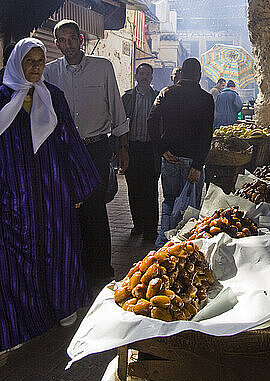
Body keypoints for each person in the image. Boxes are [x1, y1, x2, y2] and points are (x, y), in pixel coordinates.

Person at [0, 38, 101, 356]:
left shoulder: (53, 96)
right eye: (29, 61)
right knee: (17, 256)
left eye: (40, 61)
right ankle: (23, 318)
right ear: (17, 63)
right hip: (13, 193)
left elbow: (70, 140)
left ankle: (63, 305)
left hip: (53, 190)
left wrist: (79, 186)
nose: (35, 67)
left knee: (60, 247)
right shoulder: (2, 97)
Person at [44, 19, 129, 290]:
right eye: (62, 41)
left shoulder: (103, 68)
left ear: (81, 39)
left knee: (95, 208)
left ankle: (101, 270)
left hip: (95, 148)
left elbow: (116, 108)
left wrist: (123, 146)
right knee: (69, 209)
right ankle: (76, 268)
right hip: (64, 150)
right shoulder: (49, 72)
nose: (68, 45)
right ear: (56, 44)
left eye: (72, 39)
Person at [148, 58, 214, 248]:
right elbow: (206, 134)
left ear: (182, 74)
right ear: (199, 76)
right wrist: (198, 165)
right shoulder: (206, 98)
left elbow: (151, 120)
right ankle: (184, 246)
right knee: (191, 207)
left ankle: (162, 244)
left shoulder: (167, 92)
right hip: (193, 159)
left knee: (169, 201)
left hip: (171, 158)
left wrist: (161, 149)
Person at [122, 63, 160, 242]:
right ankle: (138, 224)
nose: (144, 77)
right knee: (134, 188)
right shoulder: (128, 97)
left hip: (150, 150)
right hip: (132, 149)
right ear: (136, 76)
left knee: (150, 189)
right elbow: (119, 123)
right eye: (141, 73)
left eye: (148, 74)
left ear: (151, 78)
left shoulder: (158, 96)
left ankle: (151, 229)